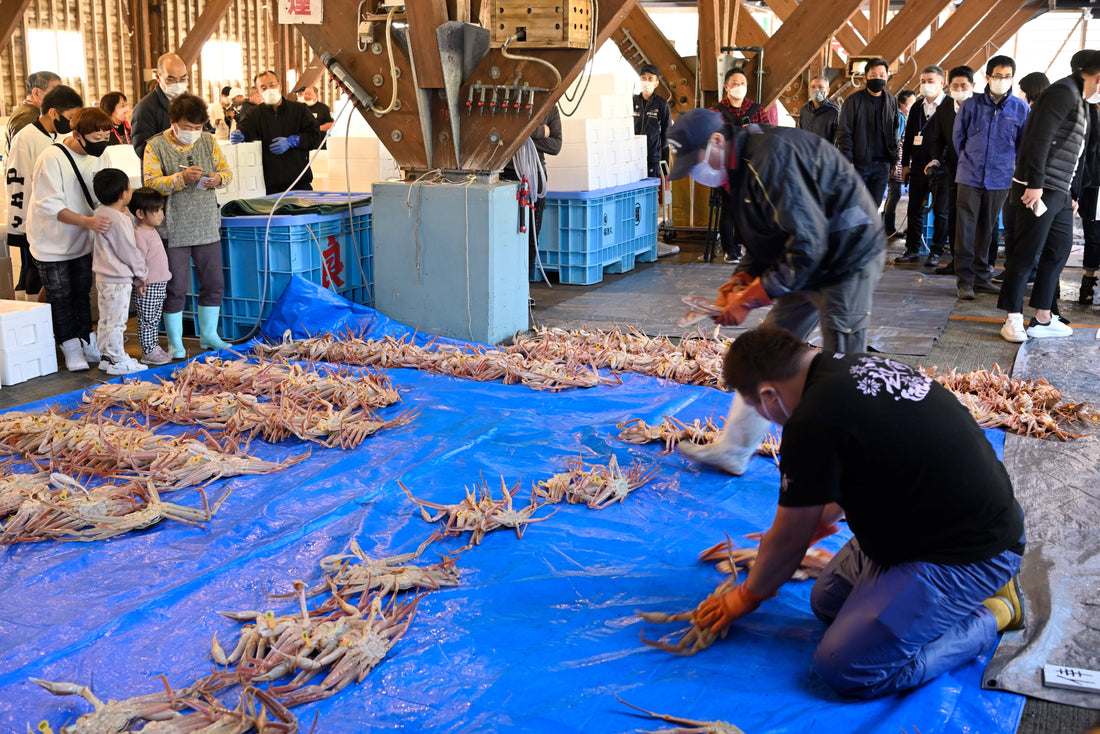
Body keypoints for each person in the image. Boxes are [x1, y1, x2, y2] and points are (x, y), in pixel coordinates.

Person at [691, 325, 1025, 699]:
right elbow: (848, 472)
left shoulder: (810, 421)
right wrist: (813, 525)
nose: (763, 416)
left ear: (769, 394)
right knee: (827, 601)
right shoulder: (845, 366)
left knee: (847, 668)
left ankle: (993, 612)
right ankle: (928, 603)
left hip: (966, 552)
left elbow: (787, 542)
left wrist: (745, 597)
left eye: (756, 407)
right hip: (926, 524)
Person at [665, 108, 885, 475]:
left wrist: (751, 298)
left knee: (844, 366)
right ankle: (735, 450)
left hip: (847, 256)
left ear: (717, 141)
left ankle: (857, 475)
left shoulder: (770, 160)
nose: (696, 174)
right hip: (805, 260)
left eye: (695, 162)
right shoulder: (734, 173)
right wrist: (737, 283)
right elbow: (766, 240)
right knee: (765, 353)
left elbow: (806, 246)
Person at [998, 50, 1100, 342]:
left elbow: (1078, 152)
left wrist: (1073, 192)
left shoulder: (1082, 102)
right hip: (1038, 188)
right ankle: (1012, 318)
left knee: (1059, 249)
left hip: (1060, 190)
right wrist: (1035, 183)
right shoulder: (1062, 92)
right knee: (1026, 252)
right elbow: (1039, 137)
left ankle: (1043, 317)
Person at [142, 93, 234, 355]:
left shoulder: (208, 141)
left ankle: (209, 336)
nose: (193, 132)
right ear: (173, 122)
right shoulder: (155, 146)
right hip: (173, 227)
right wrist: (180, 178)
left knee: (214, 282)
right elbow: (151, 183)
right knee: (176, 287)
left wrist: (218, 179)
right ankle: (175, 341)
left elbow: (227, 172)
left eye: (198, 127)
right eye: (188, 127)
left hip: (206, 224)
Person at [25, 107, 115, 372]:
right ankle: (69, 345)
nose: (102, 144)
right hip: (51, 241)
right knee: (60, 294)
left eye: (106, 137)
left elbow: (103, 195)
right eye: (96, 139)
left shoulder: (103, 155)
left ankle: (87, 338)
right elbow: (49, 205)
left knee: (82, 290)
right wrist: (88, 221)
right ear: (77, 134)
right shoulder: (51, 158)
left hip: (83, 239)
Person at [952, 56, 1029, 301]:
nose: (1002, 81)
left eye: (1007, 77)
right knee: (965, 228)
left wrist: (1009, 167)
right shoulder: (970, 105)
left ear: (1012, 79)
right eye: (997, 76)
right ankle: (964, 280)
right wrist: (970, 160)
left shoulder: (1020, 108)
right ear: (987, 77)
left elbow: (1022, 145)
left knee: (988, 228)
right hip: (969, 175)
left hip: (1001, 178)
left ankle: (982, 276)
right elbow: (958, 140)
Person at [5, 85, 84, 299]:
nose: (73, 122)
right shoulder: (26, 137)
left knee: (62, 281)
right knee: (39, 278)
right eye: (71, 116)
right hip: (36, 220)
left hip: (62, 218)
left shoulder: (64, 135)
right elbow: (17, 181)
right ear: (53, 112)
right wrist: (19, 226)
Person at [993, 72, 1050, 284]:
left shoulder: (1042, 116)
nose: (1020, 93)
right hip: (1013, 179)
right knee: (1011, 226)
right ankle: (1012, 268)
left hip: (1031, 184)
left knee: (1027, 229)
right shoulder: (1026, 112)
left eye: (1023, 89)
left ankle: (1028, 270)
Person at [89, 168, 147, 375]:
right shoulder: (120, 219)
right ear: (124, 193)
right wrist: (142, 274)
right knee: (117, 320)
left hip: (104, 277)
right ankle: (117, 358)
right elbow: (128, 251)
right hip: (118, 278)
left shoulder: (101, 213)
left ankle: (105, 355)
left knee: (106, 318)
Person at [711, 67, 769, 264]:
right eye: (735, 84)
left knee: (750, 207)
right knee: (728, 208)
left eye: (742, 83)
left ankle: (748, 245)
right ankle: (730, 250)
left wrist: (752, 131)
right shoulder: (716, 111)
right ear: (726, 87)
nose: (739, 87)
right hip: (726, 167)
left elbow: (767, 134)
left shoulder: (756, 110)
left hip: (751, 166)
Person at [230, 70, 321, 194]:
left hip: (298, 182)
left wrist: (293, 141)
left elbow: (315, 138)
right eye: (263, 87)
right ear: (258, 92)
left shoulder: (299, 110)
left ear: (280, 85)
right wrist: (240, 135)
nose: (269, 89)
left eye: (272, 85)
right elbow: (245, 131)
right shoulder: (253, 114)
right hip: (267, 185)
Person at [895, 66, 948, 266]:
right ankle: (912, 249)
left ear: (942, 82)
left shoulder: (950, 105)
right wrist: (905, 164)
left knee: (941, 212)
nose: (926, 84)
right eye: (923, 81)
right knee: (914, 208)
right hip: (917, 166)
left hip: (941, 169)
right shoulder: (917, 106)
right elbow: (908, 138)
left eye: (931, 80)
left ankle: (936, 251)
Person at [927, 66, 975, 277]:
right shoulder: (944, 109)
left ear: (972, 85)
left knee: (979, 219)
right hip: (955, 170)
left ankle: (983, 264)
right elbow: (938, 139)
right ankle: (956, 262)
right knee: (954, 215)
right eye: (955, 85)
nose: (959, 89)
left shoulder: (981, 105)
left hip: (979, 172)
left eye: (963, 85)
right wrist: (936, 159)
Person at [836, 58, 900, 206]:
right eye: (873, 75)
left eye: (882, 75)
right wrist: (848, 160)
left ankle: (870, 229)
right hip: (859, 163)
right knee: (852, 204)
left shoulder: (891, 101)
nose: (878, 78)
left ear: (887, 77)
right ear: (865, 78)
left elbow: (895, 130)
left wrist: (894, 159)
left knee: (874, 206)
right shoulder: (853, 101)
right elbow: (844, 132)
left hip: (883, 165)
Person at [633, 64, 676, 259]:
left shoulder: (661, 105)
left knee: (650, 200)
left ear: (657, 82)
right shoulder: (631, 101)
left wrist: (657, 150)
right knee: (634, 199)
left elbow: (667, 133)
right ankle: (635, 237)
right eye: (644, 78)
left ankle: (650, 239)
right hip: (631, 159)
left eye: (651, 79)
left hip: (652, 159)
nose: (647, 81)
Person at [127, 187, 174, 365]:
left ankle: (153, 347)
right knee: (147, 319)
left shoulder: (151, 229)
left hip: (159, 282)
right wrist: (139, 281)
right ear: (140, 213)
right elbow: (138, 261)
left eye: (161, 209)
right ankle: (148, 351)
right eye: (156, 210)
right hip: (148, 284)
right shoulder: (139, 234)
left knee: (154, 317)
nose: (160, 214)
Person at [131, 52, 190, 160]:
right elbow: (142, 148)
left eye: (182, 79)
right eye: (171, 80)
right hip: (160, 173)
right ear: (158, 77)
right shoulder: (145, 108)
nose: (178, 84)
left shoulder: (191, 103)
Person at [883, 89, 916, 239]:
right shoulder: (901, 117)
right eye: (911, 103)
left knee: (892, 193)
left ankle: (886, 226)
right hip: (896, 161)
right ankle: (888, 228)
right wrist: (896, 162)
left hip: (895, 160)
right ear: (903, 103)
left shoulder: (898, 115)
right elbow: (896, 141)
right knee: (894, 193)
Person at [4, 71, 61, 151]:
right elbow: (23, 154)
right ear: (36, 93)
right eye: (55, 92)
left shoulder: (36, 113)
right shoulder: (27, 117)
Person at [797, 75, 841, 143]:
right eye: (813, 87)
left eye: (820, 87)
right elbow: (799, 133)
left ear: (828, 91)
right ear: (809, 90)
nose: (816, 90)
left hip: (824, 152)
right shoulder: (804, 109)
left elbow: (838, 140)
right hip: (806, 151)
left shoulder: (835, 111)